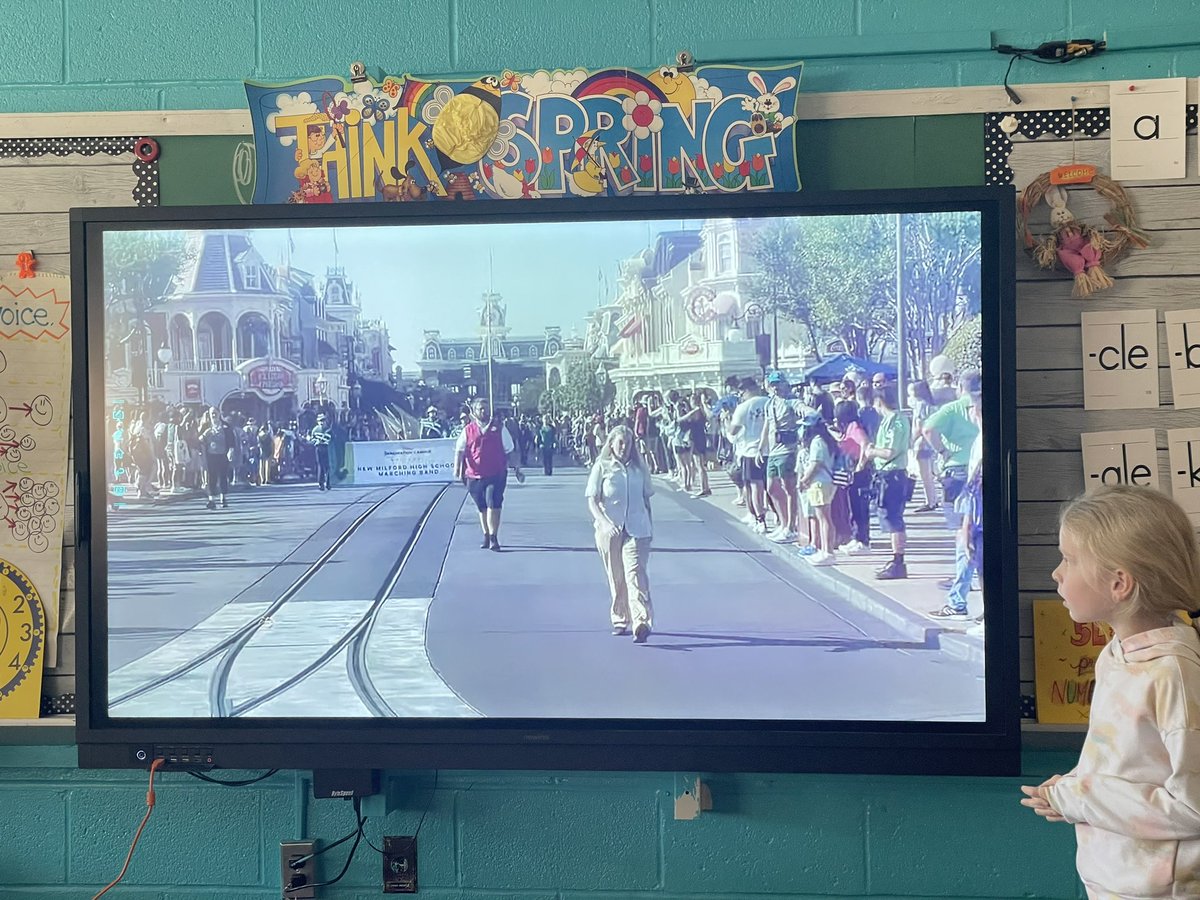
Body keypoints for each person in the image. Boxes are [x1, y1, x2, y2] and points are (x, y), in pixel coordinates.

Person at [1020, 485, 1200, 899]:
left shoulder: (1172, 673)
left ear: (1119, 583)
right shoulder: (1117, 653)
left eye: (1069, 560)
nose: (1056, 573)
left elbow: (1192, 806)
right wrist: (1071, 785)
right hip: (1113, 878)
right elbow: (1129, 764)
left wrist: (1080, 797)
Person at [586, 425, 654, 643]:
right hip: (611, 529)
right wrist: (603, 523)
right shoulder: (602, 467)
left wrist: (649, 526)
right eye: (620, 443)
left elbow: (646, 499)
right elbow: (592, 500)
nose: (624, 447)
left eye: (628, 443)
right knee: (616, 576)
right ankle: (620, 616)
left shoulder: (639, 469)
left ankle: (641, 621)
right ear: (612, 444)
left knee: (635, 575)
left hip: (637, 528)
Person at [454, 398, 524, 550]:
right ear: (474, 412)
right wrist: (458, 469)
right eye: (481, 409)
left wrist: (517, 468)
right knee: (482, 506)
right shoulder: (468, 430)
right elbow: (459, 450)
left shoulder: (499, 428)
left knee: (493, 501)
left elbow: (509, 450)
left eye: (486, 408)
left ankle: (494, 537)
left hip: (496, 473)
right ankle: (486, 534)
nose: (484, 411)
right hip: (474, 475)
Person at [860, 384, 911, 580]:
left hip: (893, 475)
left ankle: (898, 562)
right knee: (889, 519)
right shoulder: (888, 421)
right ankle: (894, 559)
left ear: (879, 401)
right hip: (885, 475)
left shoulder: (896, 421)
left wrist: (872, 451)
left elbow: (891, 451)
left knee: (893, 519)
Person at [309, 413, 333, 491]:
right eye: (320, 421)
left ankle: (328, 483)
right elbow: (312, 439)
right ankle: (321, 484)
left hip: (326, 448)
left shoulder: (328, 429)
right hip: (318, 448)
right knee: (320, 466)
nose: (322, 422)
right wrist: (316, 441)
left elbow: (330, 439)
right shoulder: (315, 429)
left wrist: (325, 440)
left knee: (327, 466)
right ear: (317, 421)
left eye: (323, 420)